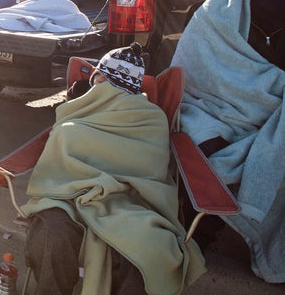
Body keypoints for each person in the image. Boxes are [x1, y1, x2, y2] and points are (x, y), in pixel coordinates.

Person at [22, 42, 205, 295]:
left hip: (132, 201)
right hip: (67, 197)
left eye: (97, 77)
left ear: (100, 77)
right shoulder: (80, 106)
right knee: (53, 231)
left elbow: (149, 171)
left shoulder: (150, 119)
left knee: (145, 248)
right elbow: (59, 153)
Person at [171, 0, 285, 283]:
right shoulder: (214, 18)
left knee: (270, 160)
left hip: (266, 124)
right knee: (206, 161)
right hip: (202, 114)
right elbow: (188, 82)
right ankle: (193, 239)